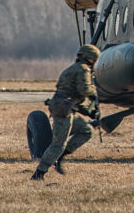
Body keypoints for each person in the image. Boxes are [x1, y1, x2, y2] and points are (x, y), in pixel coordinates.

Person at [31, 44, 101, 181]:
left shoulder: (73, 68)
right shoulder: (83, 69)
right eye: (94, 60)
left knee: (86, 131)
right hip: (64, 111)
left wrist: (90, 112)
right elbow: (84, 90)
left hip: (64, 108)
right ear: (90, 58)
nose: (95, 63)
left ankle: (60, 157)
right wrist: (95, 93)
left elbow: (73, 96)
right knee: (58, 145)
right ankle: (39, 173)